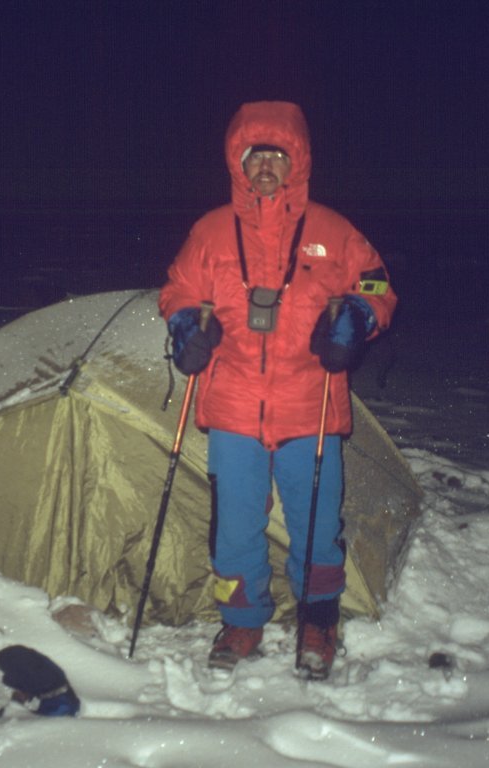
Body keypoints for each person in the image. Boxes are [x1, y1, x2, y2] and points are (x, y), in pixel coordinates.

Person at [158, 101, 397, 679]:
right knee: (235, 526)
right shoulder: (211, 231)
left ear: (297, 162)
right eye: (254, 155)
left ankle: (319, 621)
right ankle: (242, 621)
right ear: (237, 163)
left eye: (277, 155)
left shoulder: (333, 230)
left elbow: (376, 283)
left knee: (316, 522)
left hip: (309, 406)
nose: (265, 166)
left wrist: (357, 320)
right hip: (235, 406)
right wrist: (186, 325)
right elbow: (178, 290)